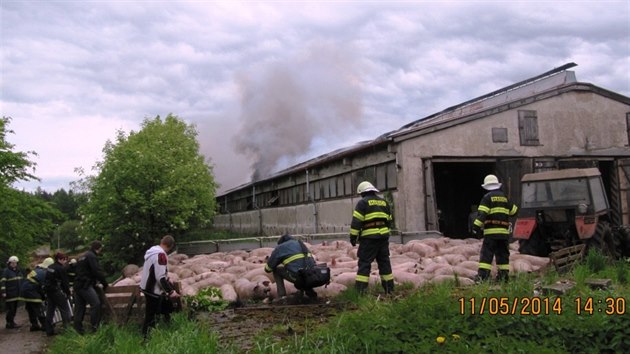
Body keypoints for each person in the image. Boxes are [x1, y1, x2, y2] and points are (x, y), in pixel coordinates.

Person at [472, 174, 519, 283]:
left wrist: (476, 227)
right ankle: (503, 277)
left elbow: (482, 214)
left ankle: (482, 278)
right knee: (503, 255)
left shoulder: (487, 198)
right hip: (503, 233)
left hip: (491, 233)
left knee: (486, 255)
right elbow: (514, 211)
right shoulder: (505, 197)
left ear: (486, 187)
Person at [349, 181, 394, 294]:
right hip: (383, 238)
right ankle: (390, 290)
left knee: (364, 263)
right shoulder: (384, 202)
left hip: (369, 239)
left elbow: (356, 222)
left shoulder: (362, 203)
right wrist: (384, 234)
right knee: (384, 263)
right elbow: (389, 221)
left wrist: (353, 237)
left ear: (363, 193)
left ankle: (360, 292)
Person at [140, 235, 180, 338]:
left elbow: (156, 271)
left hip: (147, 287)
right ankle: (146, 338)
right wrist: (171, 291)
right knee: (151, 315)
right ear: (170, 246)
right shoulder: (160, 255)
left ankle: (163, 329)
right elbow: (160, 277)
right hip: (153, 290)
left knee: (162, 308)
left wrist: (167, 278)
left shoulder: (152, 252)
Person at [264, 234, 318, 300]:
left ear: (281, 243)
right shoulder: (300, 244)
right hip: (312, 275)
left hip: (299, 276)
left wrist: (279, 261)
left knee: (277, 271)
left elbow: (268, 269)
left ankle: (282, 296)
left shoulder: (280, 248)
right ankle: (309, 292)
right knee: (301, 269)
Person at [73, 240, 109, 334]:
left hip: (77, 285)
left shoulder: (82, 256)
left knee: (80, 307)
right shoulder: (92, 256)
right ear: (99, 248)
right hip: (85, 285)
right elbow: (96, 271)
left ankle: (78, 330)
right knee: (96, 304)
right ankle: (95, 328)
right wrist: (105, 284)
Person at [21, 257, 54, 331]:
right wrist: (44, 296)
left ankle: (34, 325)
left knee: (30, 308)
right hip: (31, 290)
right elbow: (43, 287)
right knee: (38, 307)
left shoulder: (37, 270)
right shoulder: (43, 273)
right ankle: (45, 325)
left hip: (25, 290)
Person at [44, 252, 72, 336]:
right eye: (64, 259)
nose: (66, 261)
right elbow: (65, 282)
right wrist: (68, 292)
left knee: (50, 311)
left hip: (49, 291)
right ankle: (67, 330)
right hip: (57, 291)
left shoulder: (49, 267)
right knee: (65, 310)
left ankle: (49, 330)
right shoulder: (61, 268)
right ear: (59, 259)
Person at [1, 256, 24, 329]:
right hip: (10, 294)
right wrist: (4, 292)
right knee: (11, 309)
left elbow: (22, 282)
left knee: (14, 309)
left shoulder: (18, 271)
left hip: (17, 294)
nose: (14, 264)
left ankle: (12, 322)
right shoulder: (6, 271)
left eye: (15, 263)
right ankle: (9, 323)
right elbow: (2, 282)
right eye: (12, 263)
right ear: (9, 263)